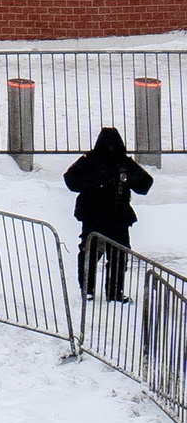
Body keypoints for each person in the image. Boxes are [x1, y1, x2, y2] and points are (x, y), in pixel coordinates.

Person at [64, 125, 155, 301]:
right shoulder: (106, 162)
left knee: (102, 254)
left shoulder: (101, 161)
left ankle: (96, 291)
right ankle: (102, 292)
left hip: (108, 216)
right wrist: (98, 183)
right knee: (103, 253)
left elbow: (144, 184)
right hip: (106, 216)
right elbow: (70, 180)